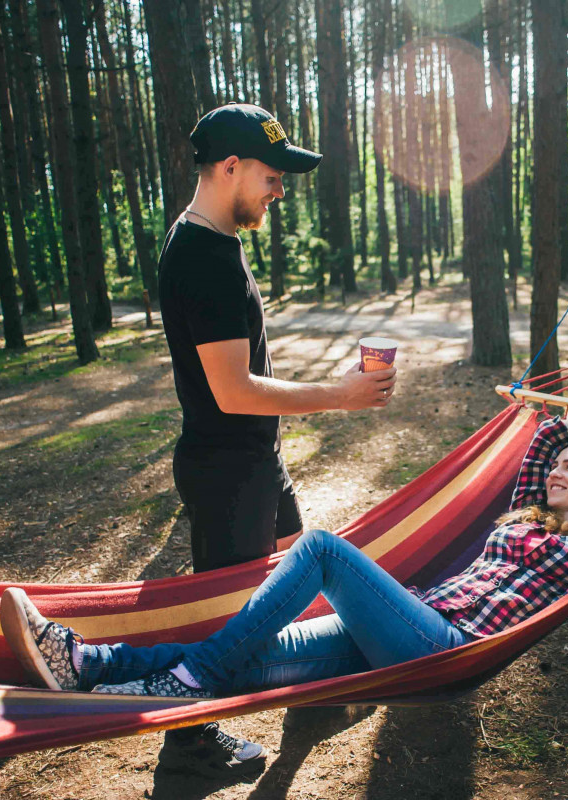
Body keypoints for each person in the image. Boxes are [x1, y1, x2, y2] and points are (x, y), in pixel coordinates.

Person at [1, 416, 568, 703]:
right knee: (250, 655)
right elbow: (547, 430)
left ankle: (187, 677)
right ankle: (88, 662)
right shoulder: (524, 512)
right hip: (408, 628)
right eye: (558, 469)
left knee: (324, 550)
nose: (555, 473)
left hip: (450, 646)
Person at [152, 104, 396, 770]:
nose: (280, 190)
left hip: (255, 461)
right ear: (230, 167)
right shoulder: (206, 259)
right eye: (271, 175)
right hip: (229, 471)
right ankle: (190, 739)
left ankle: (310, 682)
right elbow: (234, 390)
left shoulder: (209, 240)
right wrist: (340, 398)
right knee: (224, 619)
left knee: (296, 574)